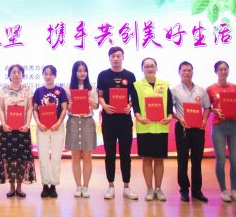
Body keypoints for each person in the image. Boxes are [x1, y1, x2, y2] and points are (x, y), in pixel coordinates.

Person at [97, 46, 138, 200]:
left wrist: (129, 106)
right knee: (110, 154)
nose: (116, 58)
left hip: (125, 120)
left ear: (123, 57)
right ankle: (111, 186)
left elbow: (133, 97)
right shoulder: (103, 75)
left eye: (118, 56)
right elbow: (100, 96)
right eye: (113, 56)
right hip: (109, 120)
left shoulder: (130, 75)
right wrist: (104, 106)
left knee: (126, 154)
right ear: (109, 58)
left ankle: (127, 186)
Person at [131, 57, 173, 202]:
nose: (149, 68)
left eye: (152, 66)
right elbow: (135, 105)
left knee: (159, 160)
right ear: (142, 69)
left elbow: (169, 105)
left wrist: (169, 117)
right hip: (145, 127)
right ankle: (149, 188)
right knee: (147, 159)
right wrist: (139, 117)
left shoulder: (165, 85)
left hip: (161, 127)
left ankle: (158, 189)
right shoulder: (137, 85)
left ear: (156, 67)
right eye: (146, 66)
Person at [171, 61, 211, 202]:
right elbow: (170, 110)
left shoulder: (201, 90)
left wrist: (204, 120)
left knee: (197, 161)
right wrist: (180, 118)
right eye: (184, 70)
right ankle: (184, 190)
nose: (187, 73)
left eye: (189, 70)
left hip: (198, 129)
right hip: (183, 128)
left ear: (192, 72)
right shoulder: (174, 90)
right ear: (179, 73)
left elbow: (207, 107)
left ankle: (196, 191)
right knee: (182, 161)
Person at [0, 64, 36, 197]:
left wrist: (27, 124)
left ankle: (19, 187)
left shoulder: (27, 89)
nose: (16, 75)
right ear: (9, 75)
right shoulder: (3, 90)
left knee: (21, 158)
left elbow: (29, 109)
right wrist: (3, 123)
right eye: (13, 72)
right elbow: (1, 109)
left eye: (19, 72)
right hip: (7, 129)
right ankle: (11, 187)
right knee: (9, 157)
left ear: (22, 75)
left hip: (22, 129)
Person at [207, 60, 236, 203]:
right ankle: (223, 190)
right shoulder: (210, 89)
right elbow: (207, 107)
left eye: (225, 69)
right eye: (220, 69)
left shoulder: (235, 87)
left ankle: (234, 190)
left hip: (234, 127)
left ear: (228, 71)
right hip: (218, 127)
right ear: (215, 71)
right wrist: (215, 110)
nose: (223, 71)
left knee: (234, 159)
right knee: (221, 159)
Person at [32, 65, 68, 198]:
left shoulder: (61, 90)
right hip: (42, 128)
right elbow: (35, 109)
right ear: (42, 75)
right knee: (43, 157)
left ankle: (53, 185)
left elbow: (64, 109)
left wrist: (58, 123)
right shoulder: (38, 91)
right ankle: (45, 185)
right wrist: (38, 123)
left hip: (57, 128)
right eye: (46, 74)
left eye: (51, 74)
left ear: (55, 76)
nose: (48, 76)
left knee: (56, 157)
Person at [64, 61, 99, 198]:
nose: (82, 73)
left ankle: (86, 187)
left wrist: (91, 103)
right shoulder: (68, 88)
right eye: (79, 70)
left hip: (87, 122)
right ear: (75, 72)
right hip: (73, 121)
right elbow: (65, 107)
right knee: (75, 157)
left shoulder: (92, 88)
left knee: (87, 157)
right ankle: (78, 186)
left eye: (84, 70)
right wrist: (70, 106)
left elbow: (96, 106)